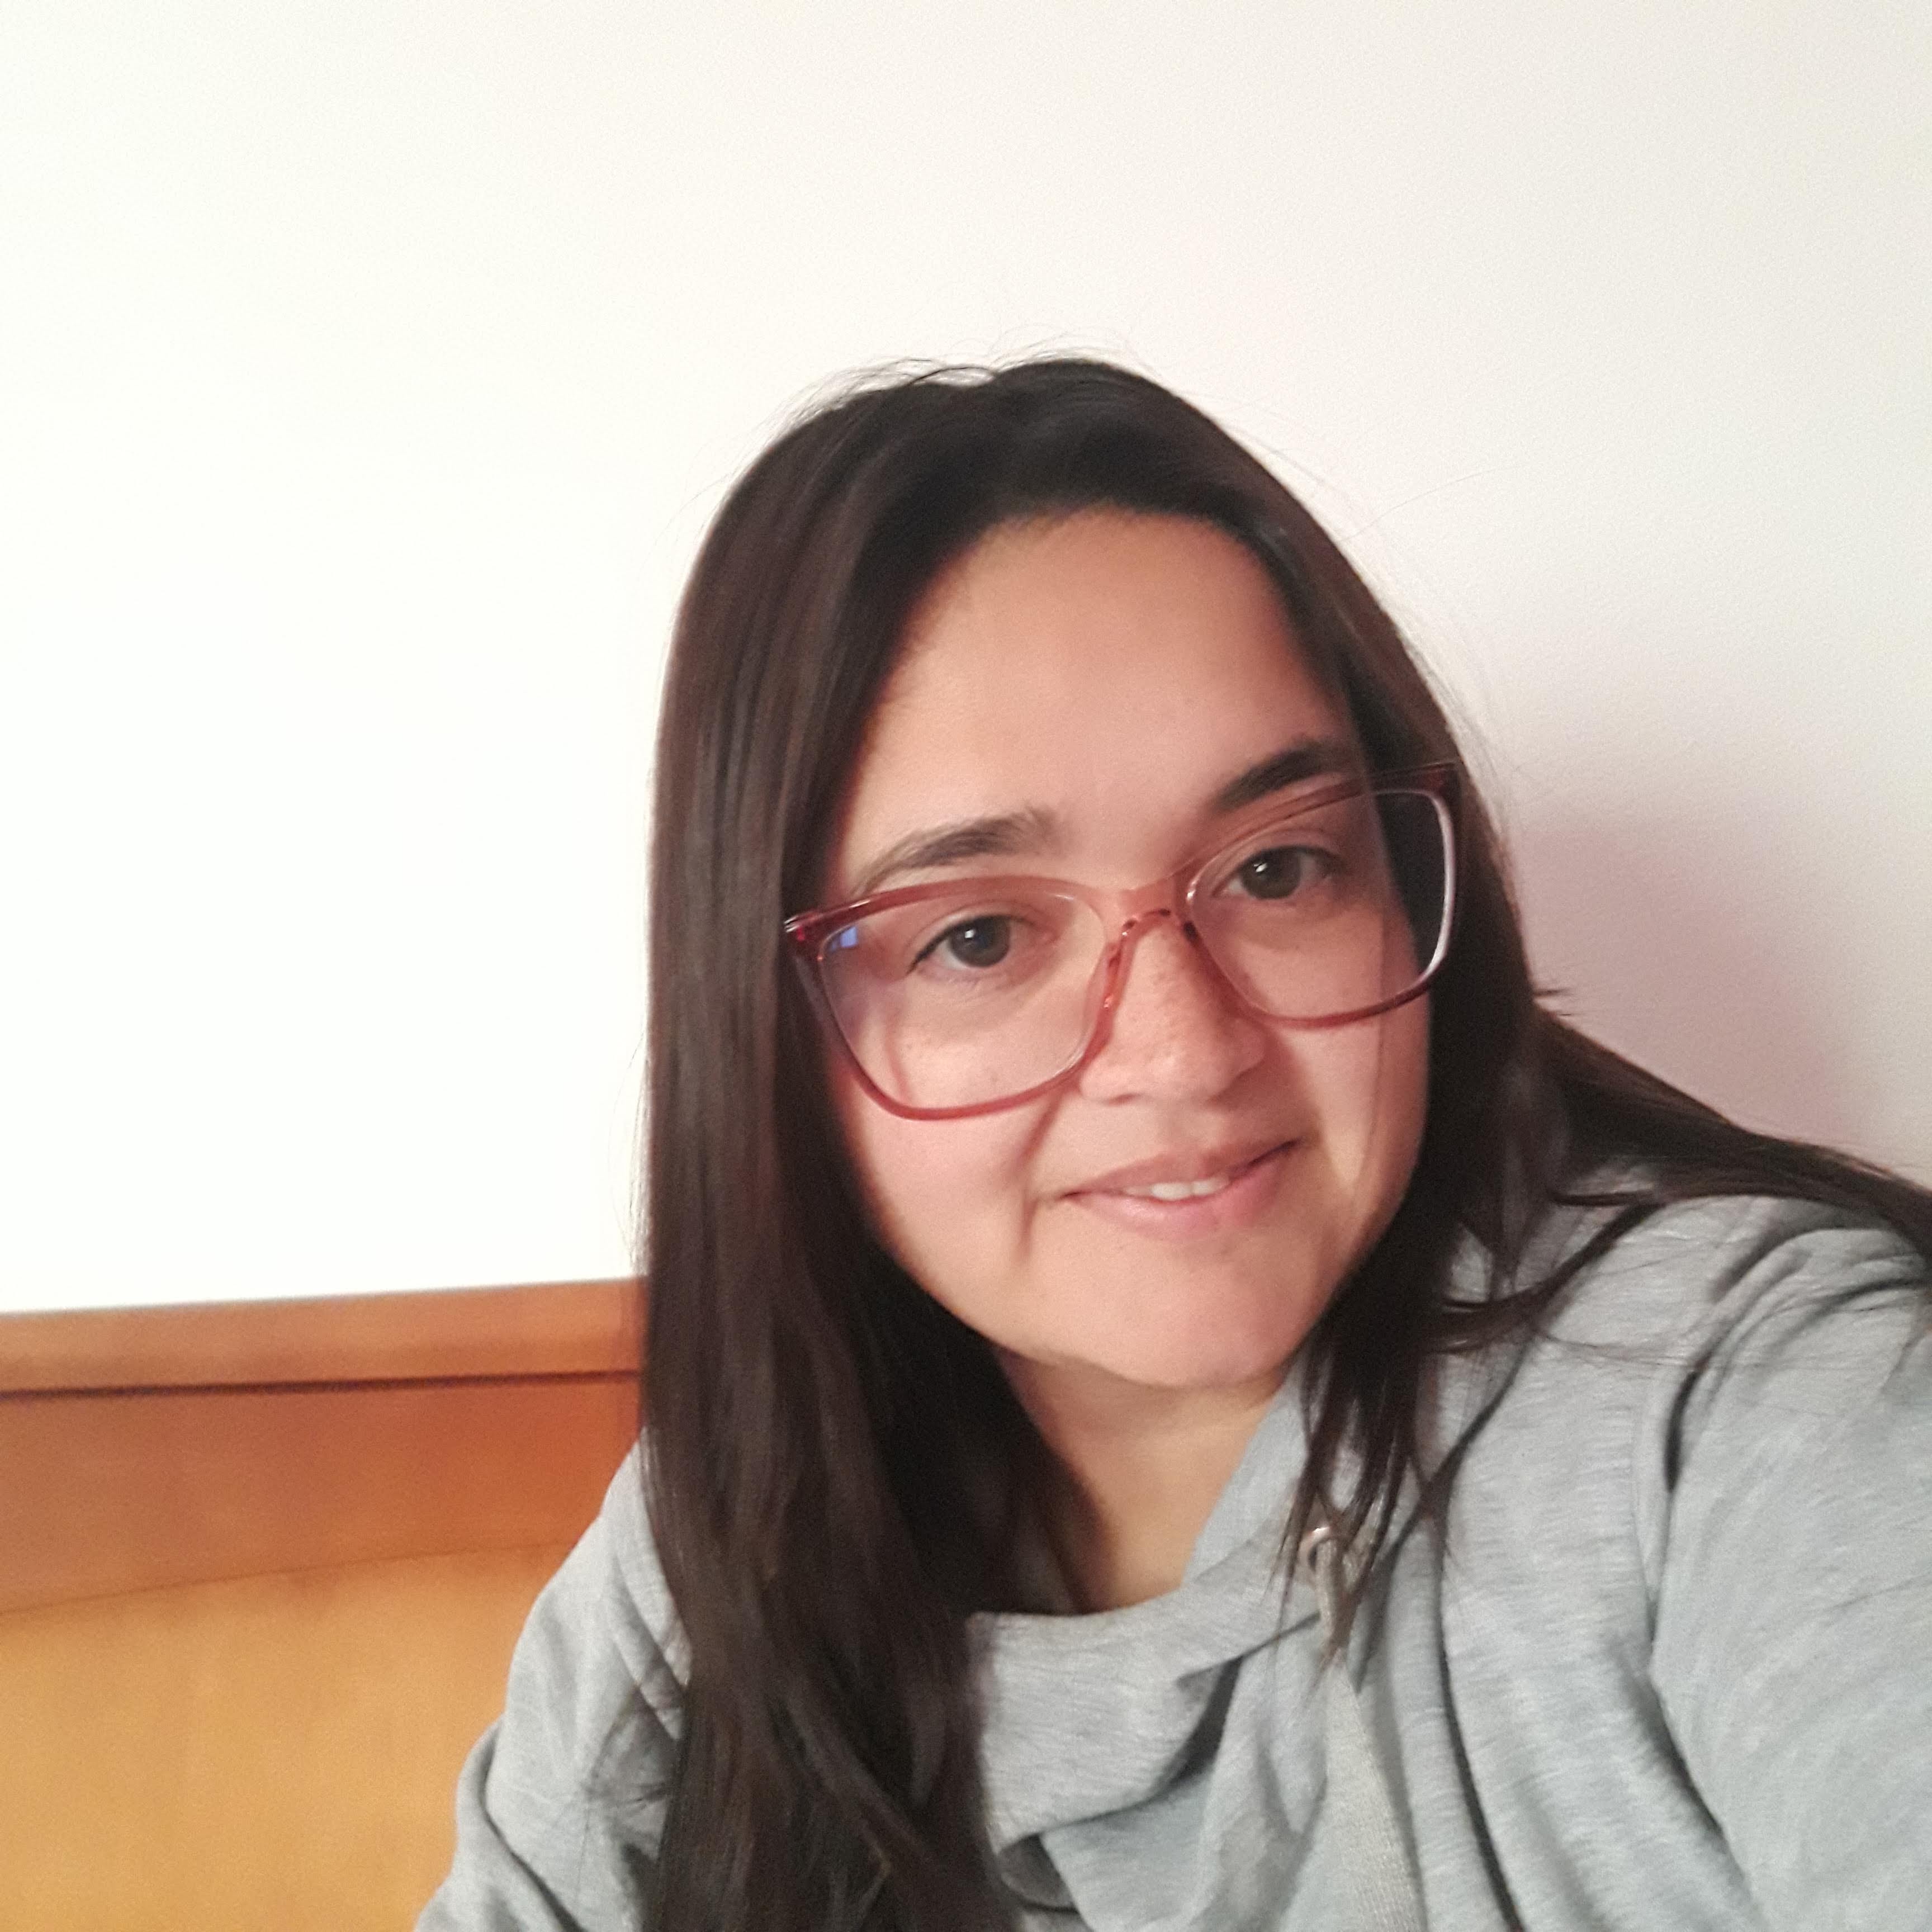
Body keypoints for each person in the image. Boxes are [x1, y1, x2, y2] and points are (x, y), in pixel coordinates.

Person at [420, 360, 1932, 1932]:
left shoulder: (1751, 1407)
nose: (1186, 1051)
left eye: (1280, 870)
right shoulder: (719, 1555)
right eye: (980, 936)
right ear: (772, 1036)